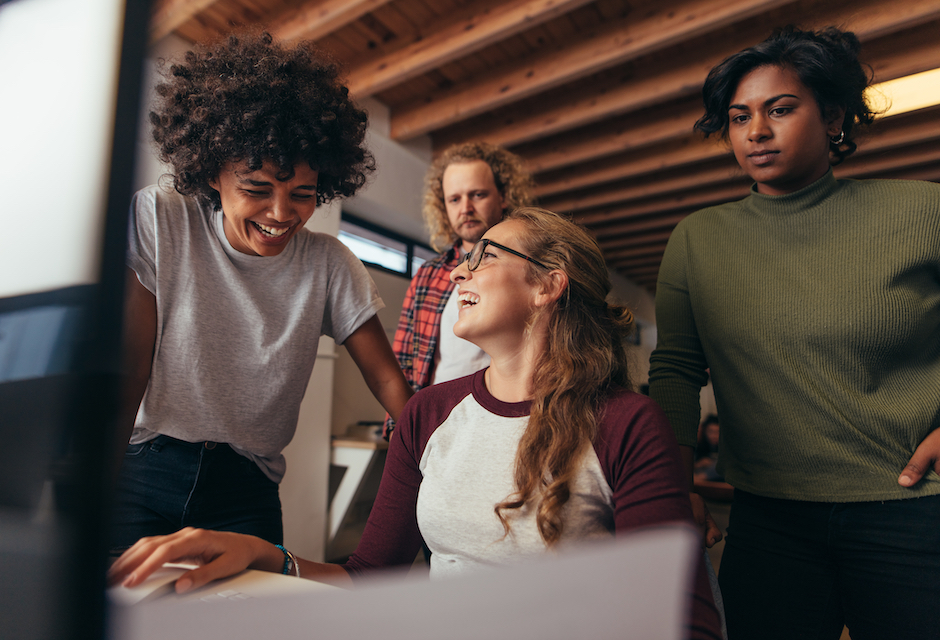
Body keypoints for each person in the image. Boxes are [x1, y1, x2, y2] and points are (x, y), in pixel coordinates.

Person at [110, 207, 723, 639]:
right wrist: (264, 554)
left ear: (548, 285)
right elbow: (368, 576)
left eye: (485, 256)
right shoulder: (428, 414)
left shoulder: (625, 423)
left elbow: (679, 619)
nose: (459, 272)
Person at [648, 26, 940, 640]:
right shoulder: (698, 239)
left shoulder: (920, 213)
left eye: (780, 109)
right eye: (738, 117)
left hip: (914, 510)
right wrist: (675, 493)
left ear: (833, 116)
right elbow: (675, 372)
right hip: (767, 520)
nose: (756, 131)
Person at [111, 32, 413, 552]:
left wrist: (436, 460)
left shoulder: (328, 262)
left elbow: (388, 379)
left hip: (245, 485)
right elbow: (132, 366)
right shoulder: (162, 216)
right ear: (211, 172)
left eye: (302, 195)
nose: (281, 214)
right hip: (144, 468)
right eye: (256, 189)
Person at [384, 142, 535, 438]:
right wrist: (400, 434)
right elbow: (403, 361)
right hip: (440, 428)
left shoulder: (529, 267)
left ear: (503, 196)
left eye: (477, 195)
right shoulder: (429, 275)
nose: (465, 208)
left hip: (515, 425)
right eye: (454, 199)